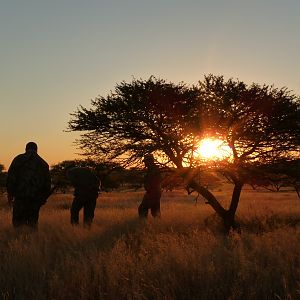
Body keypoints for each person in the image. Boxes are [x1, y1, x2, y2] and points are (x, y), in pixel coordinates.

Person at [6, 142, 51, 228]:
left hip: (20, 197)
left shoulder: (18, 159)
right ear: (37, 150)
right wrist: (43, 197)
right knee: (32, 223)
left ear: (25, 149)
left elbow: (11, 178)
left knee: (17, 223)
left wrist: (10, 193)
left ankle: (18, 240)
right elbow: (47, 183)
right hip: (35, 199)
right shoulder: (43, 163)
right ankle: (32, 240)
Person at [138, 153, 162, 218]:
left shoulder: (154, 170)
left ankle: (143, 224)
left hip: (153, 192)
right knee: (155, 211)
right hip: (154, 192)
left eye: (146, 161)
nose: (145, 163)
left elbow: (156, 181)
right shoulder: (152, 169)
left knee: (142, 208)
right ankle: (158, 225)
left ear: (150, 161)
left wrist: (150, 189)